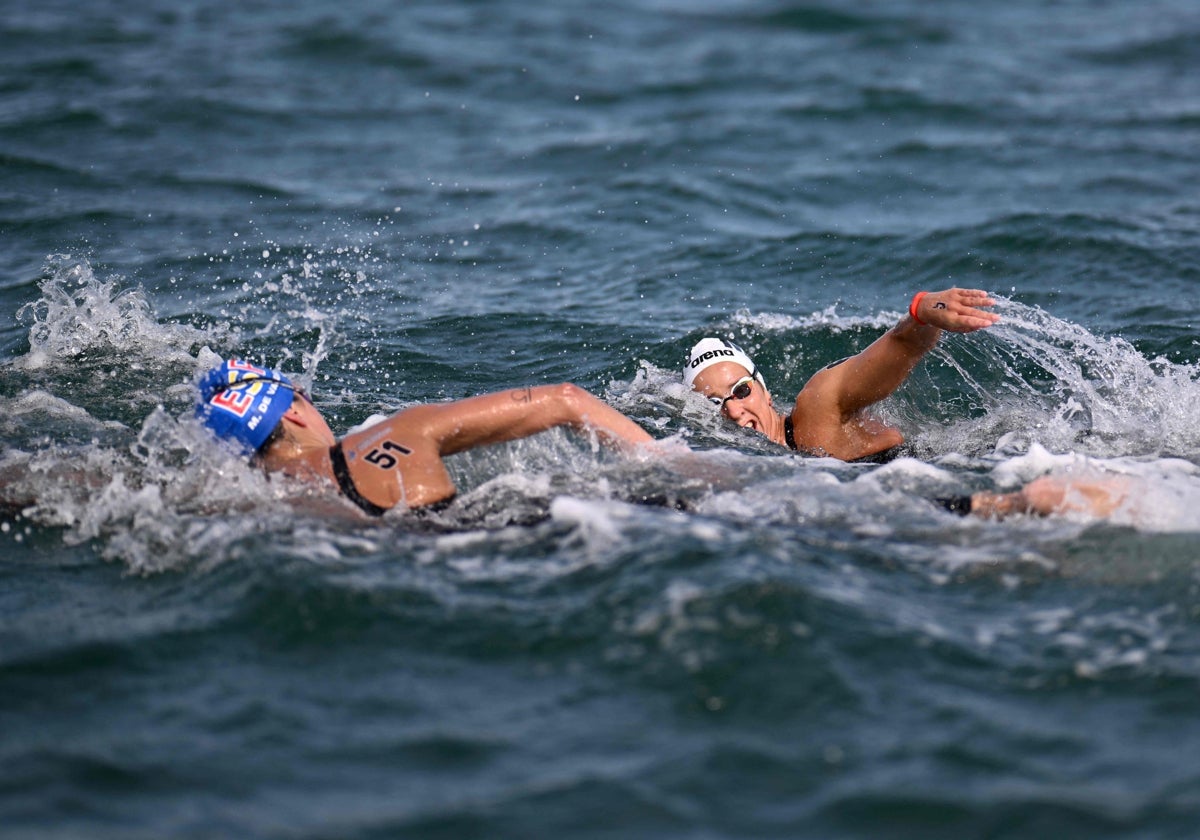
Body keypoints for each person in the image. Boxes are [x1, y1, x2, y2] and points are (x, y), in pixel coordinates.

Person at [196, 359, 657, 515]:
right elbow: (565, 398)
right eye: (304, 395)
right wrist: (667, 460)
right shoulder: (397, 433)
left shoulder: (244, 499)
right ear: (292, 413)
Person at [684, 287, 1000, 462]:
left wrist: (922, 312)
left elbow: (902, 345)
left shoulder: (814, 411)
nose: (733, 410)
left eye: (741, 390)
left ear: (765, 391)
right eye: (714, 403)